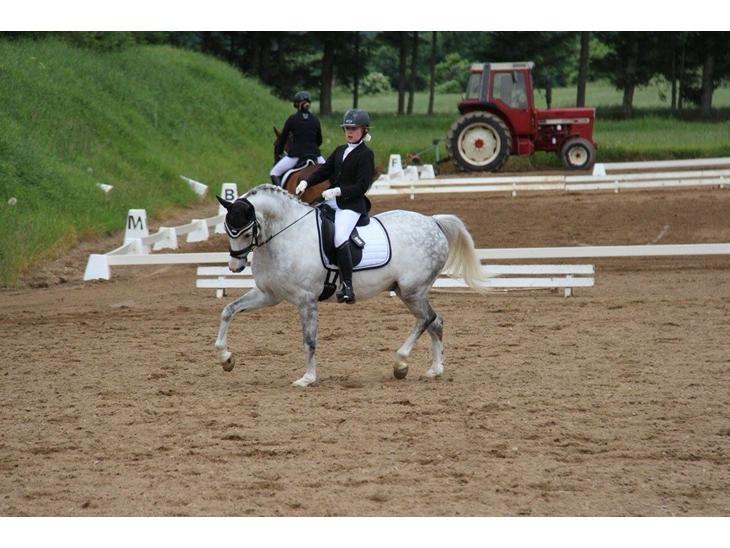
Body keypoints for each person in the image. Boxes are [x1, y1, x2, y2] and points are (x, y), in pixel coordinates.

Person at [295, 108, 375, 304]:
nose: (349, 132)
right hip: (332, 201)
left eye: (353, 129)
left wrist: (338, 191)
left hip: (352, 206)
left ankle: (347, 286)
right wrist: (307, 182)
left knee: (339, 236)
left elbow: (362, 186)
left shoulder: (366, 154)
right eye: (346, 128)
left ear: (364, 130)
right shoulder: (340, 150)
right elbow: (324, 171)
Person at [270, 91, 325, 187]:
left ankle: (281, 196)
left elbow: (282, 139)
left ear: (296, 104)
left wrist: (279, 152)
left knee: (274, 172)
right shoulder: (315, 119)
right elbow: (319, 141)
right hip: (315, 155)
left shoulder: (292, 119)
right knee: (332, 173)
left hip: (296, 155)